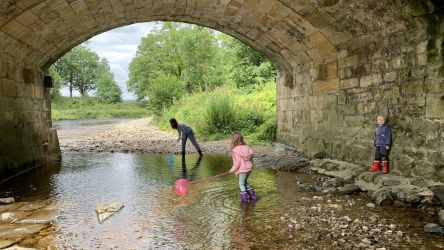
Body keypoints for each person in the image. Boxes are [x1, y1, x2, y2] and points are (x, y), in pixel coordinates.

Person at [229, 132, 257, 203]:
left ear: (234, 140)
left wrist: (232, 170)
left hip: (243, 169)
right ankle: (253, 197)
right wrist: (252, 165)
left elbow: (237, 163)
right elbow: (251, 157)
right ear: (241, 139)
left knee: (241, 184)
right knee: (245, 182)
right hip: (249, 168)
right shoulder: (246, 147)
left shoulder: (235, 150)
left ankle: (245, 200)